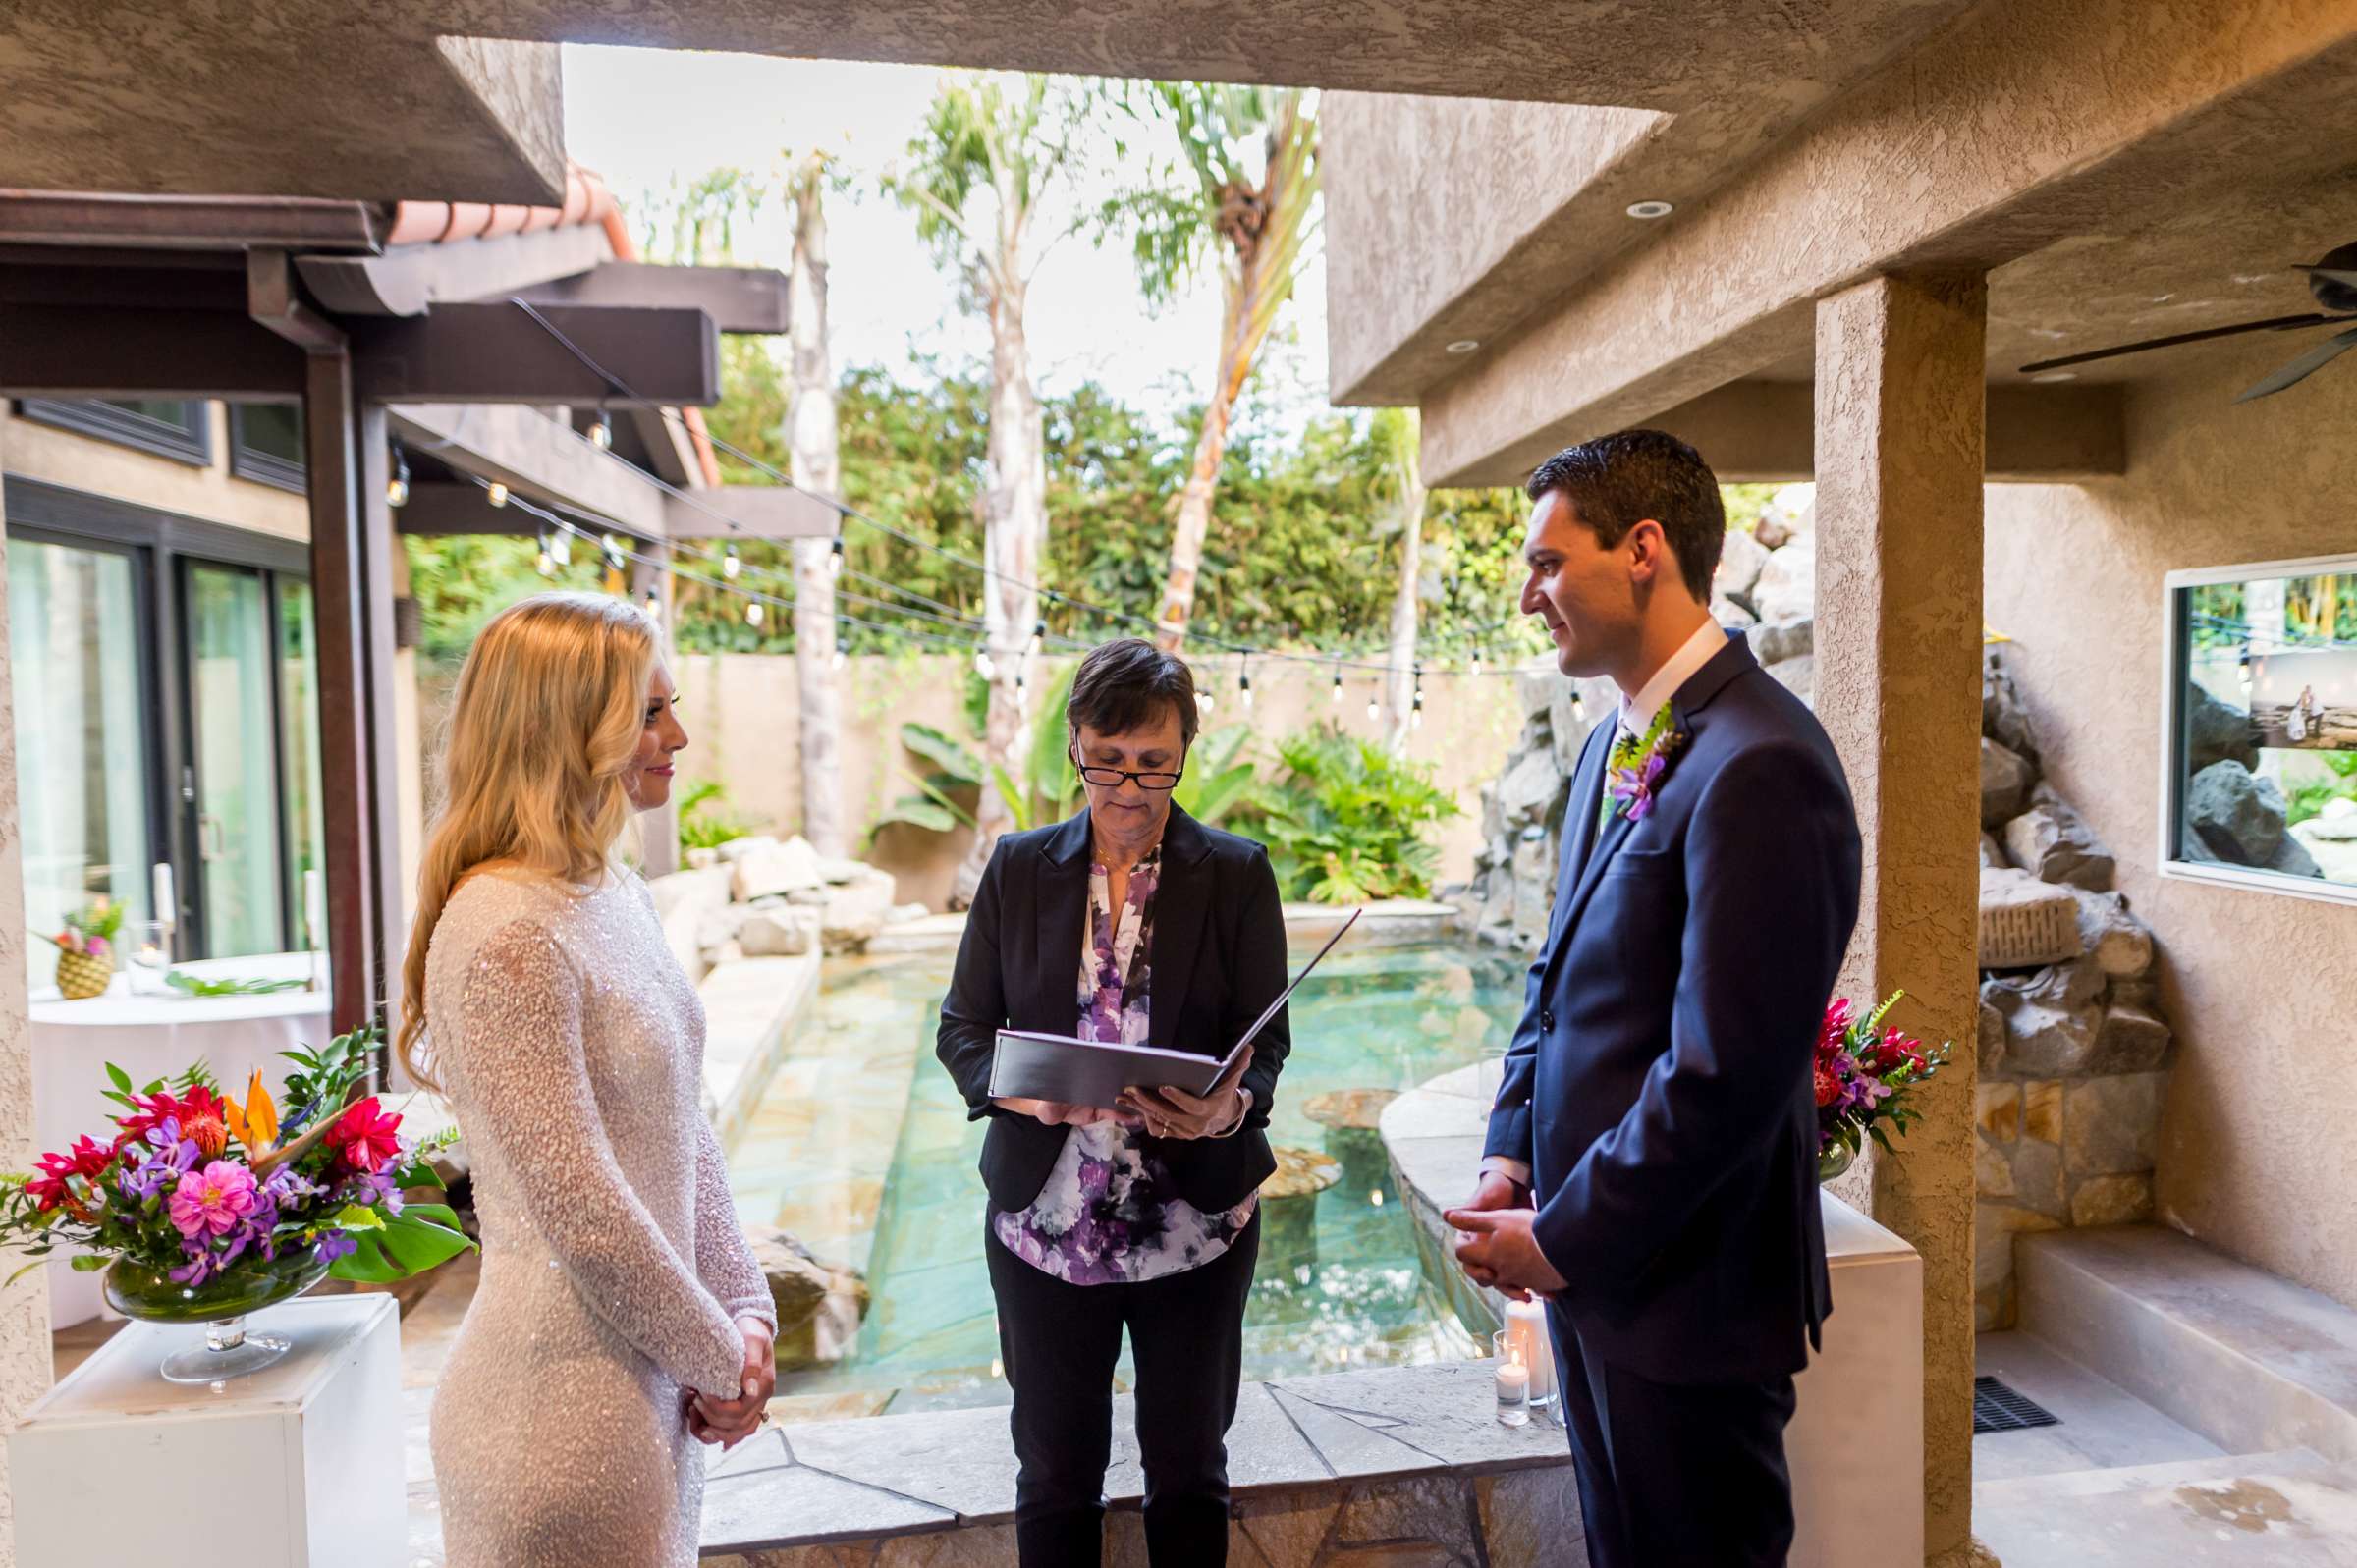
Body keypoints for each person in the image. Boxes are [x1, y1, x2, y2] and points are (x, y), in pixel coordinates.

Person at [1446, 432, 1863, 1568]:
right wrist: (1510, 1159)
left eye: (1545, 563)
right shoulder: (1606, 750)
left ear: (1642, 550)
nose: (1529, 595)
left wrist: (1564, 1238)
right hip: (1598, 1285)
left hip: (1692, 1302)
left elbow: (1724, 1075)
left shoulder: (1764, 762)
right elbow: (1557, 984)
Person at [403, 592, 779, 1568]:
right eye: (649, 711)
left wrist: (748, 1308)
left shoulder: (610, 891)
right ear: (566, 725)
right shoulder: (504, 929)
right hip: (556, 1416)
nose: (679, 734)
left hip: (642, 1396)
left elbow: (684, 1126)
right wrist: (721, 1360)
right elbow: (582, 1210)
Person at [937, 637, 1290, 1567]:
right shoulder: (1018, 868)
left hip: (1195, 1229)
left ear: (1183, 751)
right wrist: (1022, 1094)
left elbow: (1270, 1042)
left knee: (1188, 1472)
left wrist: (1229, 1107)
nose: (1130, 789)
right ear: (1075, 743)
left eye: (1154, 764)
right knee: (1054, 1476)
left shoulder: (1238, 873)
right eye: (1108, 760)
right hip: (1044, 1227)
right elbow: (963, 1029)